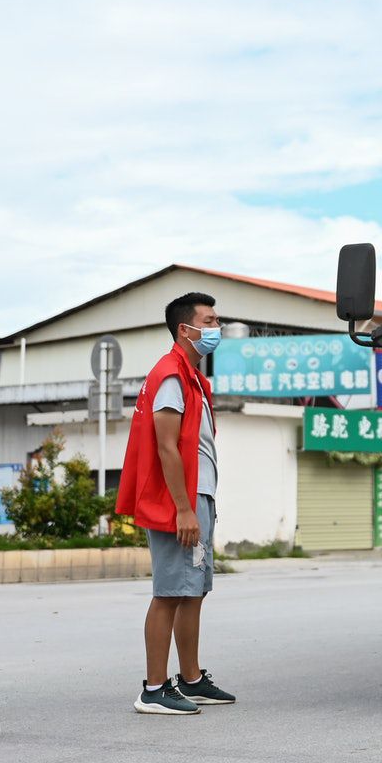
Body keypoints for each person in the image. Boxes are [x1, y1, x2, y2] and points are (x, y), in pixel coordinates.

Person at [115, 291, 238, 715]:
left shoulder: (191, 378)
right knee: (169, 592)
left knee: (193, 591)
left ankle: (191, 679)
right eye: (210, 320)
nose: (216, 328)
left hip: (197, 496)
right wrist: (183, 508)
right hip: (177, 502)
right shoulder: (170, 376)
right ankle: (153, 689)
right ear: (186, 329)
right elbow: (166, 447)